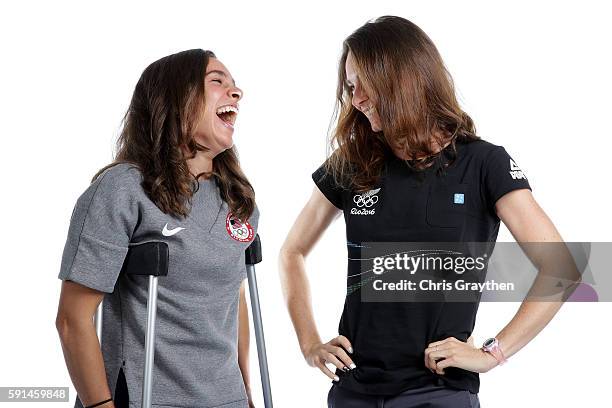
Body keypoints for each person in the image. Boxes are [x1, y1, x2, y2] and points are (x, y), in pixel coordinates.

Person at [279, 16, 573, 407]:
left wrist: (492, 354)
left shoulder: (483, 163)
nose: (357, 99)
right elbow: (291, 252)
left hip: (438, 391)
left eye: (367, 83)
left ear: (407, 77)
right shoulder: (354, 163)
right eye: (351, 86)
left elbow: (563, 268)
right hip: (353, 389)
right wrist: (309, 343)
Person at [55, 49, 259, 408]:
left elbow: (235, 301)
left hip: (226, 399)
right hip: (146, 397)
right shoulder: (123, 190)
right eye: (217, 81)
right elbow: (73, 319)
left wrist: (247, 397)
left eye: (234, 84)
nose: (236, 92)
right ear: (177, 99)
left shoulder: (239, 203)